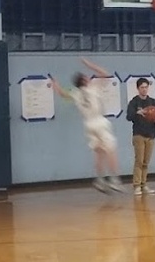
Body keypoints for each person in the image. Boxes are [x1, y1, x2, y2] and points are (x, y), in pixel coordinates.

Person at [50, 57, 125, 193]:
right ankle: (115, 180)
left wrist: (55, 84)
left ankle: (100, 180)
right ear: (84, 81)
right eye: (87, 77)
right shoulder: (93, 88)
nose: (90, 78)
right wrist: (89, 64)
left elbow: (61, 94)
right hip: (100, 122)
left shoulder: (76, 94)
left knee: (98, 153)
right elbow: (106, 74)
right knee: (111, 151)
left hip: (88, 125)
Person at [126, 77, 155, 195]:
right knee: (139, 160)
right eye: (142, 87)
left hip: (151, 134)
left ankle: (144, 184)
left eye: (146, 87)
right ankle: (137, 185)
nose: (144, 89)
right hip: (138, 134)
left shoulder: (154, 102)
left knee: (146, 162)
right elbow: (128, 116)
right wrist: (137, 112)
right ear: (138, 88)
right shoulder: (134, 102)